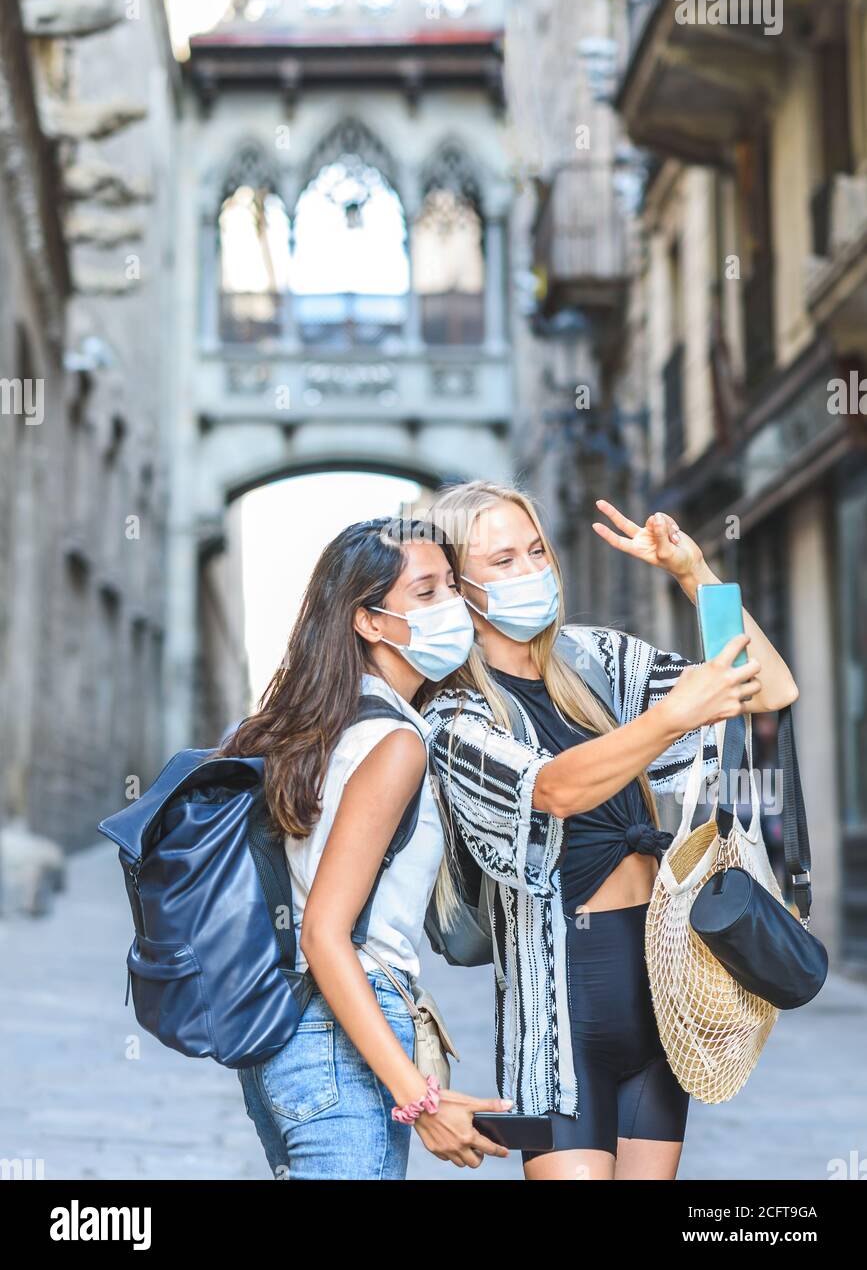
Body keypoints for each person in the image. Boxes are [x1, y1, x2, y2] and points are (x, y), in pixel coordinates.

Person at [421, 481, 800, 1182]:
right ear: (455, 583)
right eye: (501, 560)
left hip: (662, 998)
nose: (531, 570)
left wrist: (695, 575)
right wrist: (670, 718)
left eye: (536, 550)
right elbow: (553, 790)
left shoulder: (596, 661)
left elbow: (767, 689)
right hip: (559, 1024)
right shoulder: (453, 714)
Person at [219, 515, 512, 1180]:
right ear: (370, 622)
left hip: (289, 1035)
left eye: (452, 587)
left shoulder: (326, 728)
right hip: (342, 1023)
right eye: (427, 593)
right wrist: (422, 1100)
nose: (454, 609)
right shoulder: (393, 743)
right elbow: (326, 934)